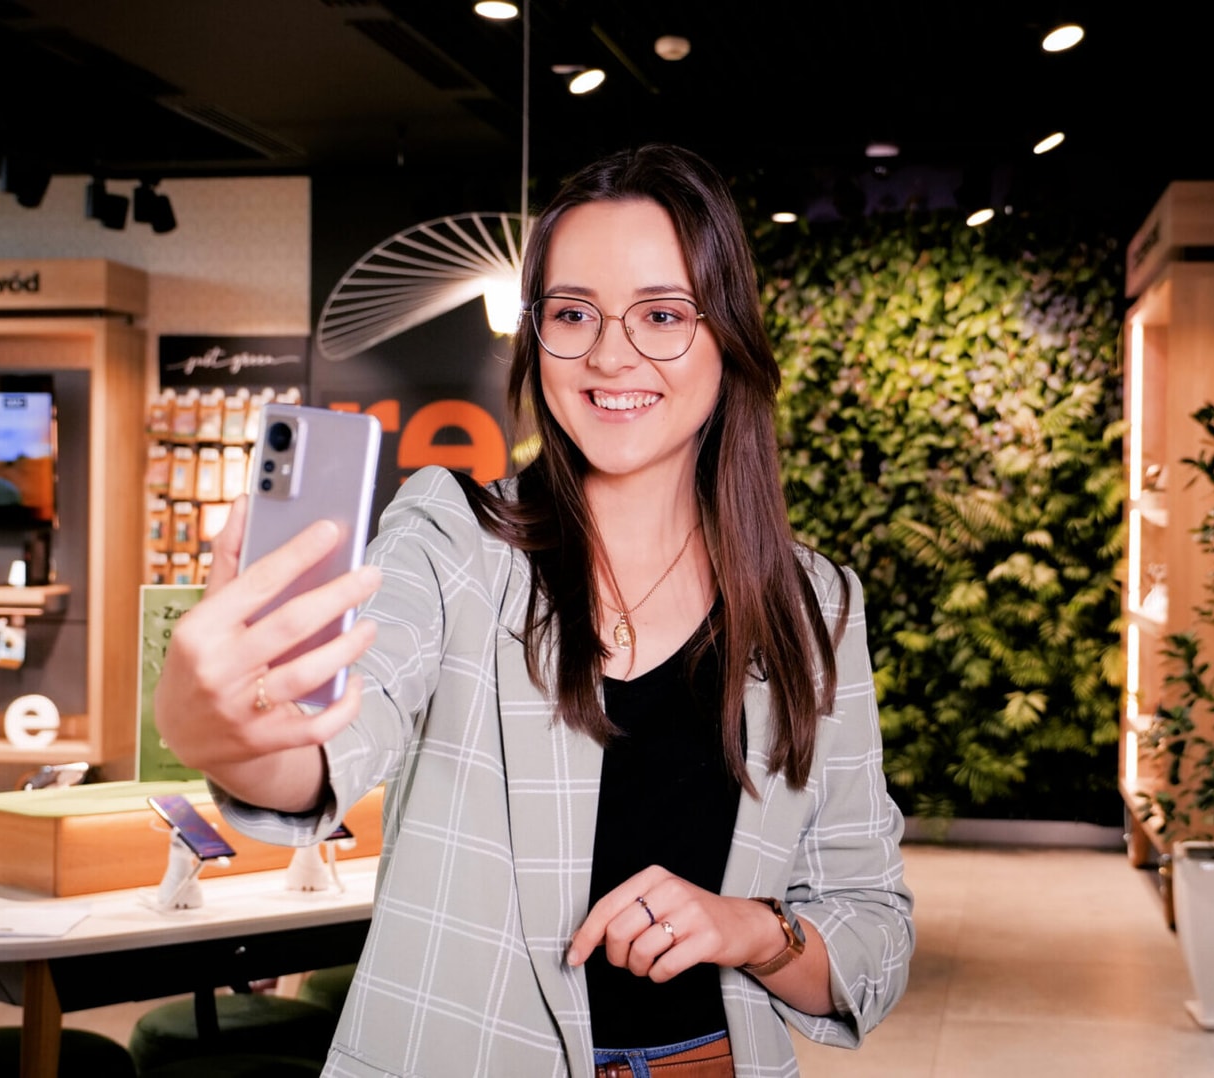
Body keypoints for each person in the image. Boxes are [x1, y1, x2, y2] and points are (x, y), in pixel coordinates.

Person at [155, 143, 913, 1078]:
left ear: (729, 338)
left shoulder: (814, 605)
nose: (609, 354)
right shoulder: (453, 540)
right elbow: (330, 745)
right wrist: (228, 731)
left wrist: (753, 929)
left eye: (662, 315)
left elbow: (873, 931)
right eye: (572, 313)